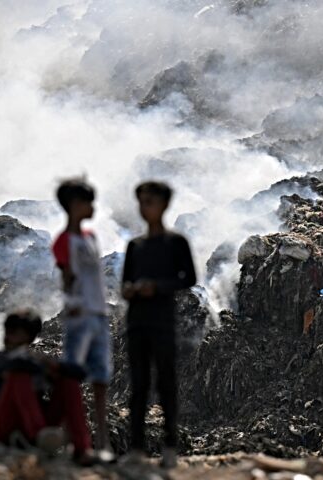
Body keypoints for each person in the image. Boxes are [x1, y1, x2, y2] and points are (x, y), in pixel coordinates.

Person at [121, 181, 197, 469]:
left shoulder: (176, 243)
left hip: (163, 321)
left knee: (166, 383)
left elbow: (188, 278)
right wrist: (131, 290)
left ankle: (169, 446)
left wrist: (157, 287)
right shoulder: (134, 246)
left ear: (164, 205)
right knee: (138, 385)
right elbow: (124, 284)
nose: (145, 207)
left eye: (150, 201)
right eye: (141, 202)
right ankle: (137, 448)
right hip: (137, 322)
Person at [0, 309, 95, 464]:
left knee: (68, 382)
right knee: (19, 376)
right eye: (8, 330)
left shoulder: (35, 360)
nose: (8, 335)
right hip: (4, 425)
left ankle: (82, 448)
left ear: (28, 336)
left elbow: (79, 373)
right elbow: (16, 365)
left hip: (36, 423)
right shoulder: (2, 358)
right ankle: (39, 435)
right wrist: (43, 365)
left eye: (15, 331)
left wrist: (55, 367)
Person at [52, 178, 113, 458]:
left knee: (100, 376)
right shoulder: (65, 241)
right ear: (75, 205)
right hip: (80, 315)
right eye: (88, 202)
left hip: (98, 313)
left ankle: (101, 440)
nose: (92, 207)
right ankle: (73, 438)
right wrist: (72, 303)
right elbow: (66, 277)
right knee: (73, 376)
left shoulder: (90, 238)